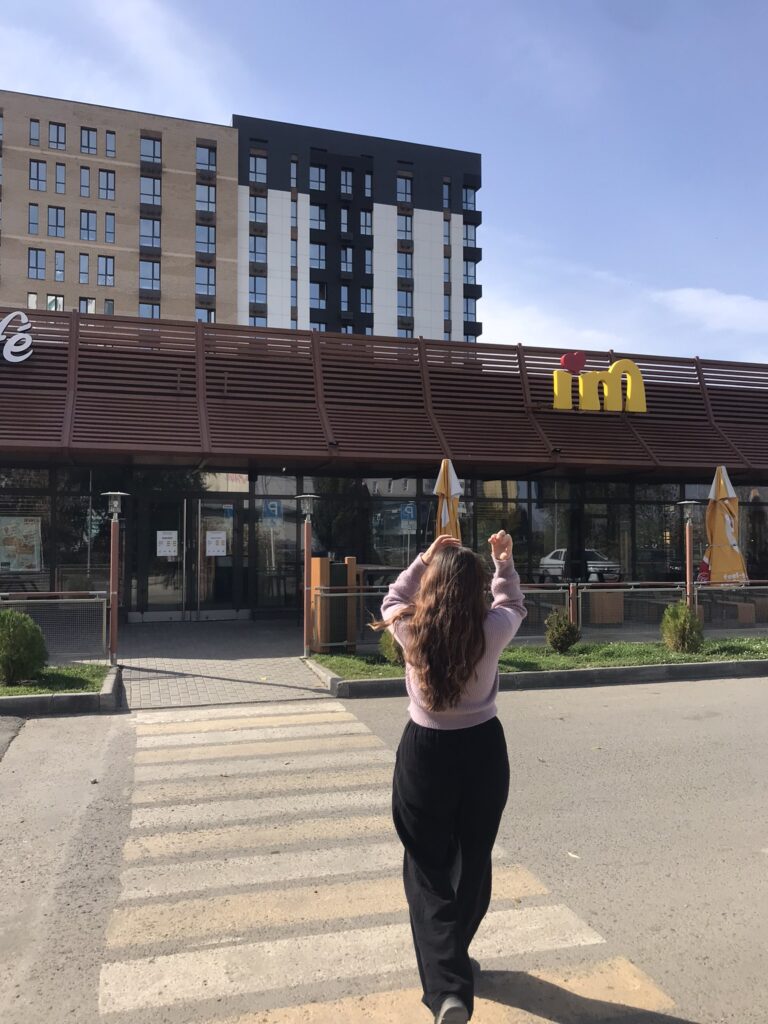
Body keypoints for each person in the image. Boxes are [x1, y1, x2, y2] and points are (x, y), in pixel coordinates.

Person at [373, 530, 526, 1023]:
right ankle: (455, 959)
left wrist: (423, 558)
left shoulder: (411, 629)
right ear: (475, 587)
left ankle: (447, 987)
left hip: (426, 754)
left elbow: (393, 598)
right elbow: (513, 602)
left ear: (433, 588)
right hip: (483, 751)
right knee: (474, 860)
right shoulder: (493, 629)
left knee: (427, 871)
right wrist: (503, 562)